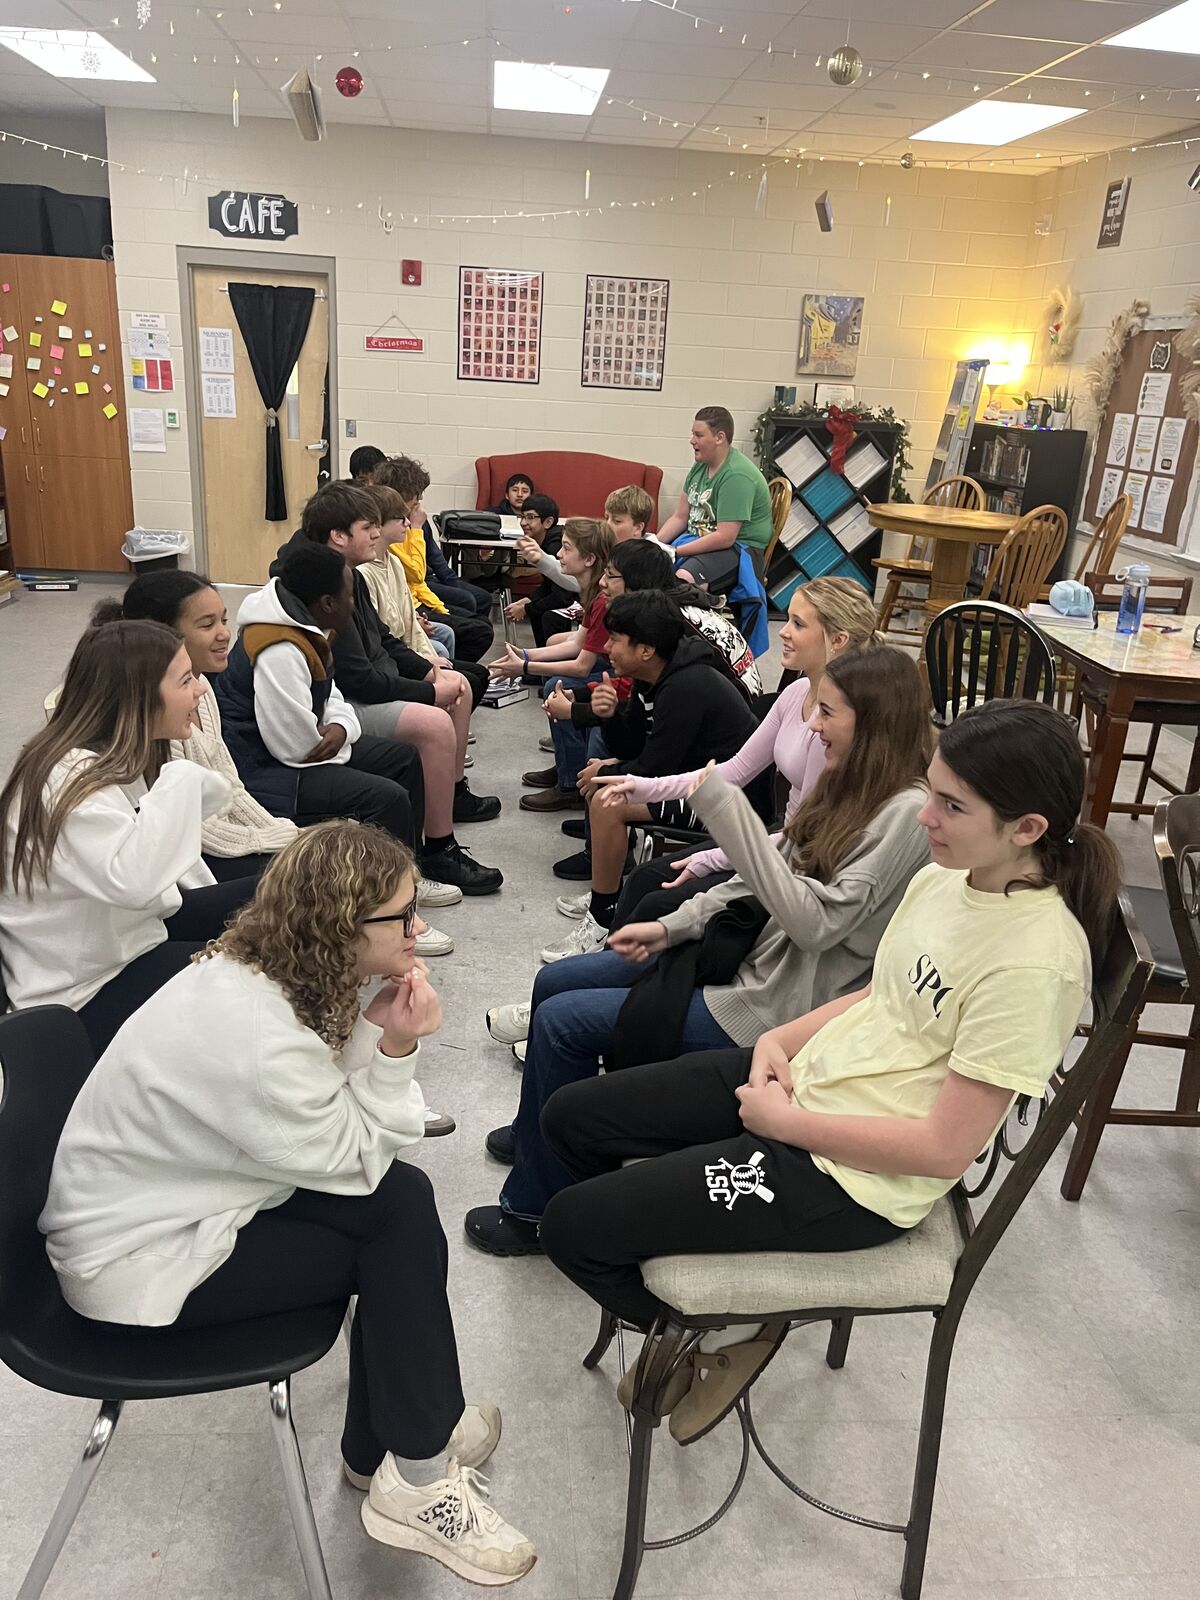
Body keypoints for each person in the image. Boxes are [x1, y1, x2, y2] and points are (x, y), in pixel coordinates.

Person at [538, 699, 1121, 1442]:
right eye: (931, 791)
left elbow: (946, 1150)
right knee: (572, 1119)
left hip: (853, 1180)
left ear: (1028, 829)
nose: (923, 818)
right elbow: (884, 994)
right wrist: (779, 1040)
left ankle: (718, 1331)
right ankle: (712, 1296)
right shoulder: (950, 876)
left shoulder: (1036, 962)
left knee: (573, 1228)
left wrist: (786, 1124)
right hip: (804, 1086)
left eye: (950, 805)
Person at [40, 821, 536, 1584]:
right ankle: (418, 1470)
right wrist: (397, 1048)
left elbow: (333, 1122)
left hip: (179, 1202)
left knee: (399, 1207)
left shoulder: (264, 971)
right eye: (399, 917)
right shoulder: (253, 1036)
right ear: (341, 926)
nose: (418, 928)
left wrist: (372, 1027)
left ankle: (401, 1453)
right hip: (137, 1262)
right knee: (395, 1213)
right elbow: (355, 1157)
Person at [468, 646, 933, 1257]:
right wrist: (673, 927)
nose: (814, 726)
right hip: (744, 964)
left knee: (560, 1024)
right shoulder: (846, 785)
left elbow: (815, 923)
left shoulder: (902, 814)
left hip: (780, 1008)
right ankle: (547, 1141)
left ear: (872, 724)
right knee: (557, 983)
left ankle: (533, 1208)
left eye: (829, 714)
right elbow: (755, 880)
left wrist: (729, 814)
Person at [0, 620, 259, 1058]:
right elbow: (137, 881)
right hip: (86, 991)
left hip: (127, 938)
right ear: (138, 698)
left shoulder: (104, 758)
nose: (199, 690)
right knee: (265, 977)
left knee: (282, 889)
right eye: (185, 680)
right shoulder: (69, 781)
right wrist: (181, 776)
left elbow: (197, 817)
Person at [598, 574, 879, 928]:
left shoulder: (838, 724)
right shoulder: (796, 695)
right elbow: (732, 771)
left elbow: (804, 838)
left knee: (655, 894)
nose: (782, 632)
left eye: (797, 623)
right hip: (777, 840)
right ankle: (612, 960)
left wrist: (715, 858)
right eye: (788, 619)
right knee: (646, 881)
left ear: (837, 640)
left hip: (795, 864)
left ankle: (620, 966)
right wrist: (642, 786)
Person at [296, 484, 503, 893]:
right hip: (345, 705)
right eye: (367, 526)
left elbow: (386, 640)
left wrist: (428, 671)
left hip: (368, 688)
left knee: (457, 683)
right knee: (434, 723)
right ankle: (439, 849)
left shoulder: (348, 575)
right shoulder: (323, 588)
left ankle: (452, 795)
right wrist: (427, 693)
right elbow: (356, 680)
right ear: (338, 536)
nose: (376, 534)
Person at [538, 591, 760, 962]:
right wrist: (608, 716)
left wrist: (608, 771)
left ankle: (602, 917)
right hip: (689, 782)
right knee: (605, 788)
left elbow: (657, 767)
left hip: (729, 802)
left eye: (615, 640)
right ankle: (605, 897)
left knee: (608, 800)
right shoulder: (654, 674)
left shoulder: (687, 686)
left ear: (645, 649)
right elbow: (634, 747)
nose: (607, 648)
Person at [92, 571, 298, 884]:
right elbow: (191, 826)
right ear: (161, 633)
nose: (224, 634)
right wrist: (272, 842)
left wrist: (278, 832)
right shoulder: (155, 716)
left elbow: (230, 784)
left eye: (224, 620)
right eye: (207, 624)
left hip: (208, 843)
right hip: (187, 859)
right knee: (304, 880)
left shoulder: (201, 687)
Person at [488, 519, 616, 815]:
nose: (558, 554)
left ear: (589, 559)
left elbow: (583, 666)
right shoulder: (593, 593)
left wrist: (526, 667)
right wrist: (527, 655)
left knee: (558, 686)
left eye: (566, 548)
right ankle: (567, 766)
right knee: (555, 677)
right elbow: (576, 645)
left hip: (616, 677)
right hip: (604, 666)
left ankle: (570, 784)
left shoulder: (601, 599)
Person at [358, 482, 489, 706]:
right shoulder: (363, 573)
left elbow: (409, 622)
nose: (408, 523)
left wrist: (427, 656)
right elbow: (384, 637)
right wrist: (424, 663)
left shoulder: (393, 563)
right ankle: (444, 717)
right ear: (379, 523)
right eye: (401, 518)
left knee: (479, 674)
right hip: (391, 657)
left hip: (404, 648)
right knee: (466, 679)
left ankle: (449, 715)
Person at [372, 456, 495, 658]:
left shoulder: (408, 519)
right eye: (415, 500)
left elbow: (433, 557)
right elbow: (417, 573)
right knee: (477, 629)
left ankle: (458, 673)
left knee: (477, 611)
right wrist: (417, 529)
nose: (419, 504)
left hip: (418, 593)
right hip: (414, 598)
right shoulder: (394, 527)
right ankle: (457, 674)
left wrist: (452, 580)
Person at [657, 406, 774, 590]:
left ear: (720, 437)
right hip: (700, 539)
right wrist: (655, 544)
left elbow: (725, 537)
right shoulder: (700, 466)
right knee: (650, 569)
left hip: (740, 549)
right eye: (692, 434)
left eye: (699, 435)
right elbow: (680, 516)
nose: (692, 441)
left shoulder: (737, 476)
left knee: (682, 580)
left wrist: (674, 552)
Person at [505, 494, 574, 646]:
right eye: (522, 517)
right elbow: (549, 585)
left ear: (548, 522)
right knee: (538, 608)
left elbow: (562, 597)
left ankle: (552, 664)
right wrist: (530, 599)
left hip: (579, 601)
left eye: (530, 517)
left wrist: (527, 609)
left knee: (547, 614)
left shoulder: (555, 546)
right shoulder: (545, 541)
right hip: (566, 596)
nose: (523, 523)